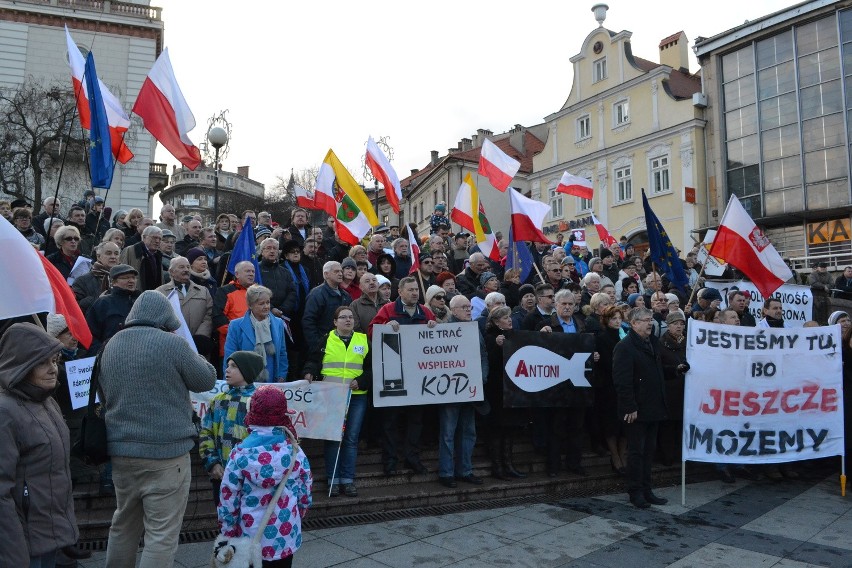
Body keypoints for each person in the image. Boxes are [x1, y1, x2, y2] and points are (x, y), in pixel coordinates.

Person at [98, 291, 217, 567]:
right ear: (165, 317)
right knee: (161, 534)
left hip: (121, 451)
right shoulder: (171, 344)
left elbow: (104, 396)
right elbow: (206, 379)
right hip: (166, 453)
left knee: (123, 525)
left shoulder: (110, 345)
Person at [0, 324, 79, 567]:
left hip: (50, 537)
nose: (52, 369)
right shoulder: (5, 411)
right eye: (42, 362)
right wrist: (14, 556)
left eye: (54, 360)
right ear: (22, 365)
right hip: (24, 546)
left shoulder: (46, 402)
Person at [217, 386, 312, 568]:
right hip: (284, 537)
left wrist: (228, 531)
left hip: (249, 539)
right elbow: (304, 491)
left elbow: (228, 500)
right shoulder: (295, 452)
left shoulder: (239, 455)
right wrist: (299, 512)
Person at [368, 277, 437, 475]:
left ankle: (412, 458)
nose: (415, 293)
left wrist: (434, 326)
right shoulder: (388, 310)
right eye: (411, 290)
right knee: (390, 421)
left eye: (417, 289)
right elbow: (372, 331)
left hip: (418, 378)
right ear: (400, 291)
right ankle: (390, 460)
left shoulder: (425, 312)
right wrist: (386, 326)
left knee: (416, 421)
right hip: (394, 375)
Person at [303, 306, 371, 497]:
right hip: (331, 395)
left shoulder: (363, 339)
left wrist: (362, 381)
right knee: (333, 437)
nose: (348, 320)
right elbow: (313, 361)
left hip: (356, 395)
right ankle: (333, 480)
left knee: (351, 439)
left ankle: (348, 481)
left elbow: (372, 368)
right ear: (335, 322)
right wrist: (308, 372)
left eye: (350, 317)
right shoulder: (326, 339)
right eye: (343, 317)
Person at [613, 307, 669, 509]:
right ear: (634, 323)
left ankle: (647, 489)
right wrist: (630, 406)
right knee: (636, 452)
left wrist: (676, 369)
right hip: (636, 410)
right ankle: (635, 491)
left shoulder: (652, 342)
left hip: (653, 406)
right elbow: (622, 381)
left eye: (651, 320)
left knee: (649, 451)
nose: (650, 323)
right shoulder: (625, 347)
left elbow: (659, 370)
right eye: (646, 320)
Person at [436, 295, 487, 488]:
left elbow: (483, 354)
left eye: (469, 307)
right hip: (450, 391)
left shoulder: (474, 328)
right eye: (464, 307)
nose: (468, 310)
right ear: (453, 309)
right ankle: (446, 472)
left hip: (472, 389)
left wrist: (482, 377)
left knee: (468, 432)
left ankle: (465, 470)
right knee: (448, 432)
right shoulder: (443, 329)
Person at [199, 351, 261, 504]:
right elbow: (206, 432)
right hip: (221, 475)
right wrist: (212, 463)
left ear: (247, 370)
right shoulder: (218, 401)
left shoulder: (257, 401)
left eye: (234, 366)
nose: (227, 370)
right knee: (224, 521)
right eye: (227, 366)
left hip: (250, 478)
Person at [224, 285, 288, 383]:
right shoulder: (235, 325)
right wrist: (229, 381)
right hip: (244, 381)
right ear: (250, 305)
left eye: (268, 302)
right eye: (261, 303)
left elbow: (282, 352)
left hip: (272, 380)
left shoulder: (278, 323)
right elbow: (229, 356)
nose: (266, 306)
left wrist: (282, 376)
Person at [594, 306, 628, 474]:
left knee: (625, 425)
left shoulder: (626, 336)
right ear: (606, 320)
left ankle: (622, 455)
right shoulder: (602, 338)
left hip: (625, 387)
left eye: (619, 318)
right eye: (613, 318)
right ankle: (615, 457)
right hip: (609, 387)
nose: (617, 321)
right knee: (611, 425)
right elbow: (607, 363)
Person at [84, 264, 142, 355]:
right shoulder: (103, 303)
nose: (131, 281)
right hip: (110, 356)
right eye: (126, 278)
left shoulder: (141, 301)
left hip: (139, 355)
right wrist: (102, 352)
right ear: (114, 282)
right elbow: (89, 335)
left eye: (134, 277)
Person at [657, 309, 689, 466]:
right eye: (675, 323)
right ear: (668, 326)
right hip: (669, 391)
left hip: (686, 391)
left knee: (681, 425)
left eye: (681, 324)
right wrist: (675, 368)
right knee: (668, 426)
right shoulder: (660, 344)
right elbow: (660, 367)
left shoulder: (689, 343)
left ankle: (679, 454)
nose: (679, 327)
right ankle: (667, 455)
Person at [303, 261, 353, 350]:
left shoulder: (346, 295)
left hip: (343, 345)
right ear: (326, 274)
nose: (340, 274)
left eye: (341, 271)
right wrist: (317, 345)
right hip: (323, 345)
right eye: (336, 271)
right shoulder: (316, 294)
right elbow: (309, 321)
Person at [73, 241, 121, 313]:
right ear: (98, 256)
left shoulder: (125, 277)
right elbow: (77, 307)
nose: (113, 257)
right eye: (108, 253)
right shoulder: (82, 281)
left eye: (116, 254)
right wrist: (98, 300)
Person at [119, 225, 164, 291]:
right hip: (134, 295)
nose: (157, 241)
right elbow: (122, 274)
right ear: (144, 237)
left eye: (160, 239)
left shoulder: (158, 255)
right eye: (154, 238)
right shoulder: (131, 251)